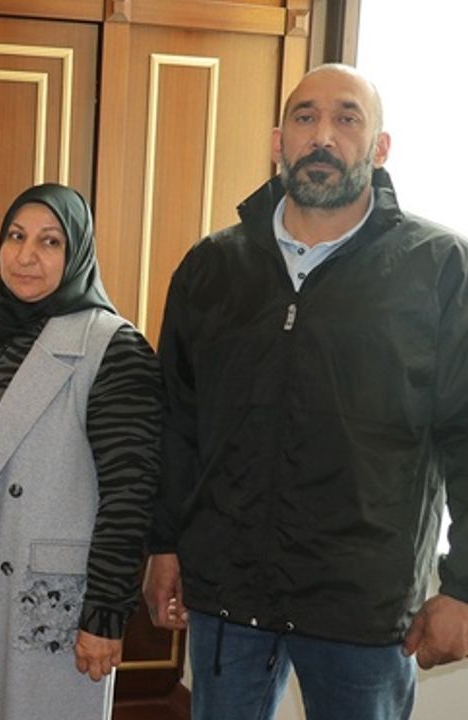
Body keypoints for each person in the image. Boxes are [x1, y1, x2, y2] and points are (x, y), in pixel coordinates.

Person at [144, 63, 468, 720]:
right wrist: (163, 542)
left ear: (379, 147)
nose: (323, 135)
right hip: (228, 600)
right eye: (305, 117)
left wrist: (462, 587)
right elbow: (177, 422)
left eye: (347, 118)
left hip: (362, 611)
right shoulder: (212, 266)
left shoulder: (439, 269)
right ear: (278, 141)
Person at [0, 183, 162, 720]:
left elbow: (130, 496)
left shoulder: (113, 347)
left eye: (49, 242)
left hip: (40, 593)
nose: (26, 255)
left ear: (77, 252)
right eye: (16, 237)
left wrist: (106, 613)